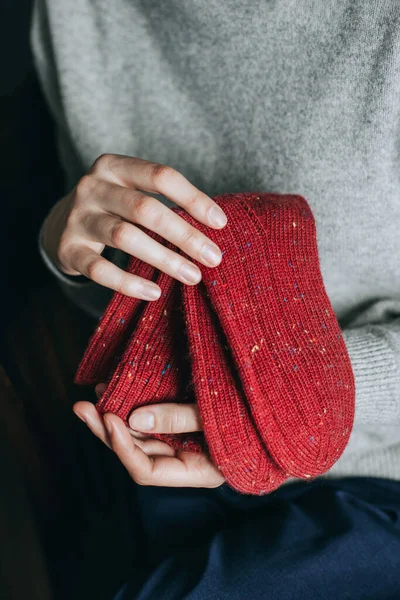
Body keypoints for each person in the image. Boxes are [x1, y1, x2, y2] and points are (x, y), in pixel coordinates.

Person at [31, 1, 400, 598]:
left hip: (382, 476)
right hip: (166, 464)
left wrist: (286, 392)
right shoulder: (75, 13)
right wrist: (63, 241)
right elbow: (133, 299)